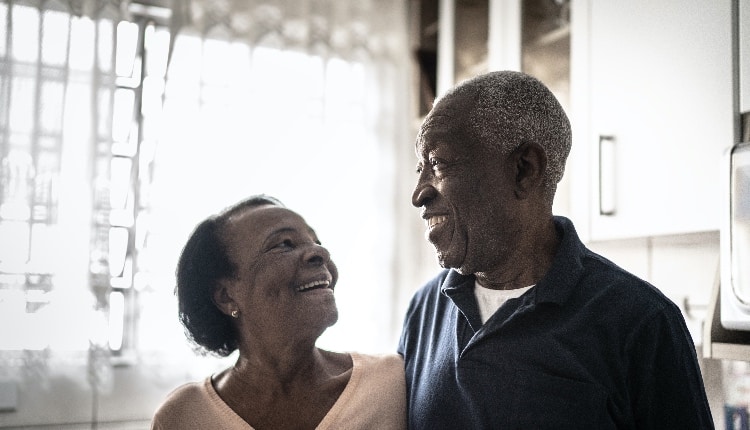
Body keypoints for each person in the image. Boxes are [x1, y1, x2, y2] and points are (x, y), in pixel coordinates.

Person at [397, 71, 714, 429]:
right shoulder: (425, 308)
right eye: (420, 168)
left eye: (438, 164)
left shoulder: (642, 322)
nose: (419, 193)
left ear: (524, 170)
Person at [151, 195, 406, 430]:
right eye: (284, 244)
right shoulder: (184, 417)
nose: (322, 253)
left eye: (316, 241)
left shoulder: (390, 382)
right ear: (226, 296)